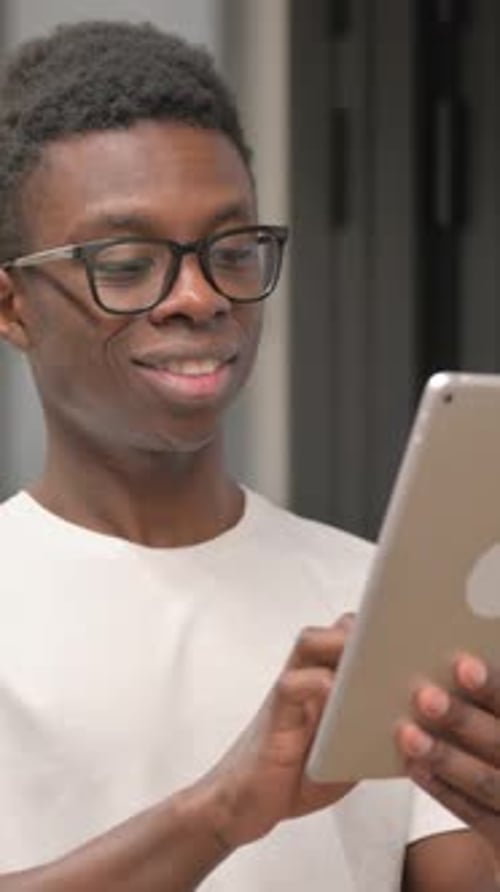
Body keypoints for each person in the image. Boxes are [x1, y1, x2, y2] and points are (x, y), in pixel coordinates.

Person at [0, 19, 497, 892]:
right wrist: (221, 812)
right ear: (11, 309)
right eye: (125, 263)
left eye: (230, 251)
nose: (198, 297)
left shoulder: (373, 603)